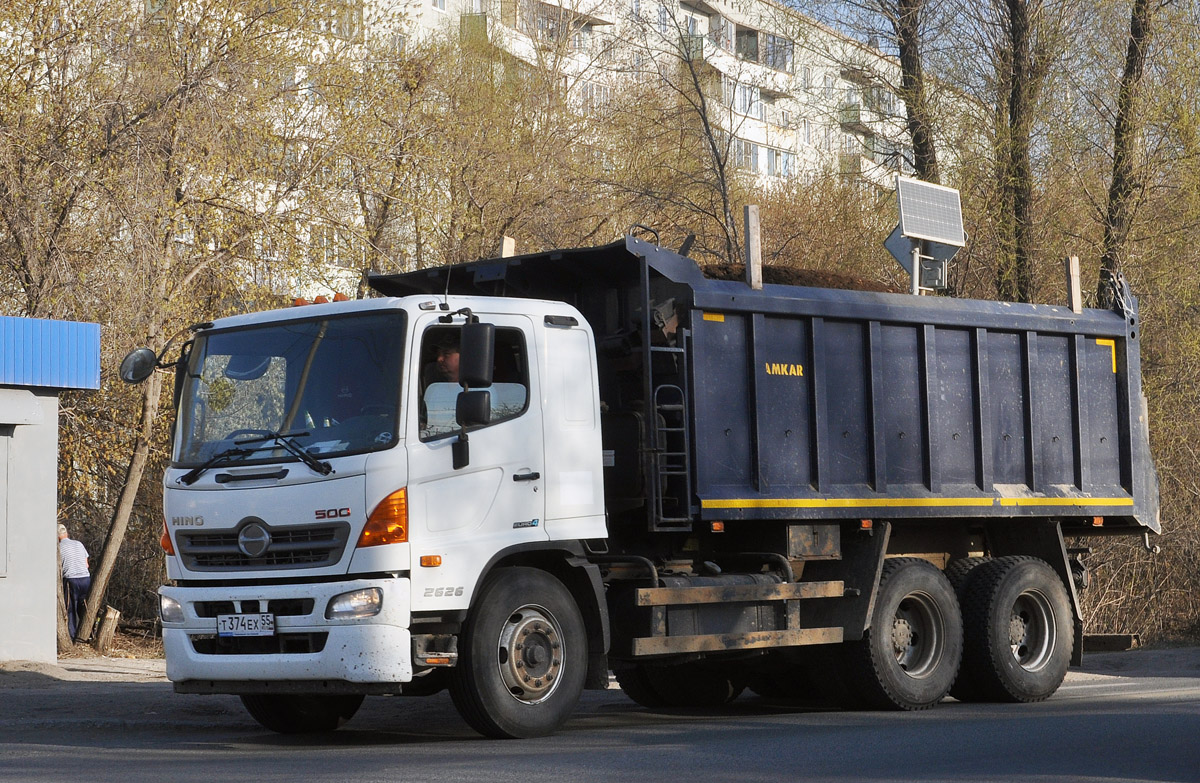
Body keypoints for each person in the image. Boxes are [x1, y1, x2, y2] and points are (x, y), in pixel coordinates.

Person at [58, 524, 91, 640]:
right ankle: (89, 634)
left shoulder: (59, 548)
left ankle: (72, 636)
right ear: (66, 533)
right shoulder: (78, 544)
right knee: (84, 607)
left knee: (70, 608)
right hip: (86, 578)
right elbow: (87, 564)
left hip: (70, 580)